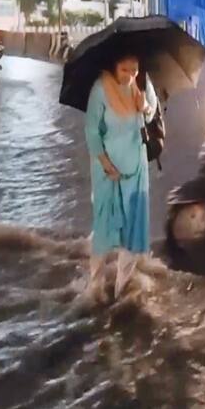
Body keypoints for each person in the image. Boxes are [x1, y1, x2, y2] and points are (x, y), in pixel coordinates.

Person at [84, 52, 158, 302]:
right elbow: (92, 131)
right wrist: (106, 165)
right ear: (114, 68)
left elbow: (151, 115)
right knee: (104, 227)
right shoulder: (100, 89)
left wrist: (145, 106)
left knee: (132, 229)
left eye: (135, 70)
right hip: (107, 170)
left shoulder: (142, 84)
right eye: (125, 70)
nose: (130, 76)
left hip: (136, 167)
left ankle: (122, 288)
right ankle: (95, 287)